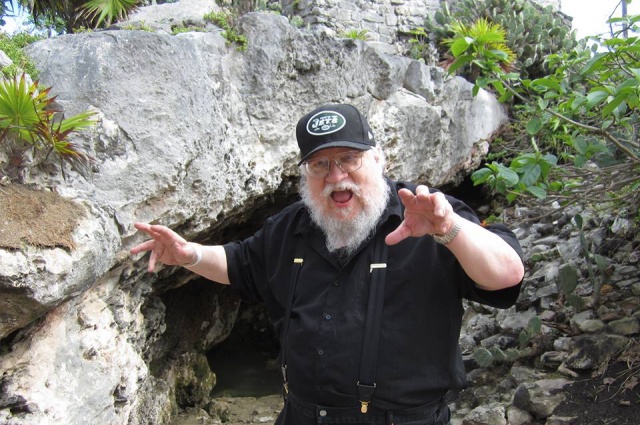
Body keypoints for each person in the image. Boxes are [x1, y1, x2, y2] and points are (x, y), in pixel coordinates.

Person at [130, 103, 525, 425]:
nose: (336, 176)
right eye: (320, 165)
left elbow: (507, 276)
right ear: (306, 174)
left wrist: (449, 230)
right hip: (302, 415)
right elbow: (240, 262)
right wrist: (190, 255)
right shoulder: (291, 227)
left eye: (349, 158)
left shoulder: (428, 215)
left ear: (377, 158)